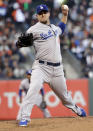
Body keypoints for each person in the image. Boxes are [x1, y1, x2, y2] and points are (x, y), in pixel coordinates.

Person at [18, 4, 86, 126]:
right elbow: (20, 42)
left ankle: (77, 109)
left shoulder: (54, 28)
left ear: (49, 13)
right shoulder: (33, 30)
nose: (43, 14)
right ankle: (25, 117)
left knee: (65, 97)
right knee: (33, 89)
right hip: (41, 67)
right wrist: (20, 44)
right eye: (40, 13)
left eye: (45, 12)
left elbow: (62, 26)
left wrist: (65, 15)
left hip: (57, 69)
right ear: (37, 16)